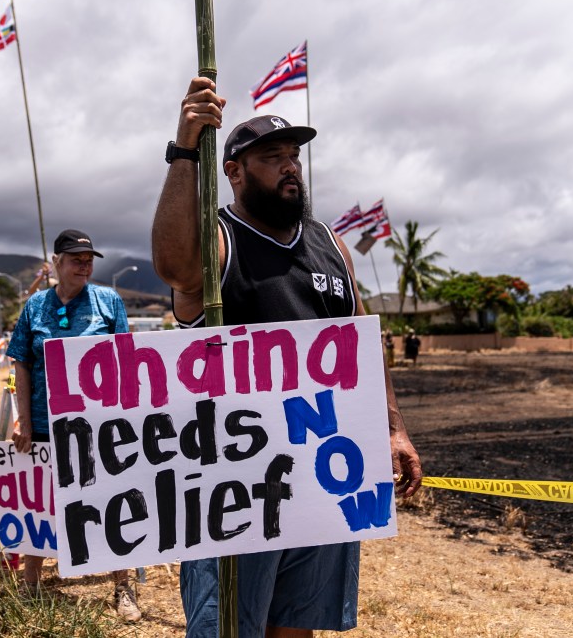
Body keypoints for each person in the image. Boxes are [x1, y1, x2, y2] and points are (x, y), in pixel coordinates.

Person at [151, 77, 423, 638]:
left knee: (299, 627)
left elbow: (361, 343)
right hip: (234, 486)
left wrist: (393, 429)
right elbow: (175, 268)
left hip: (323, 477)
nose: (290, 166)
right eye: (272, 158)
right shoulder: (217, 240)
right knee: (227, 629)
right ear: (234, 171)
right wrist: (184, 147)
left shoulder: (329, 242)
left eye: (293, 156)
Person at [6, 229, 142, 623]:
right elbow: (21, 363)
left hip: (98, 423)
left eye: (89, 259)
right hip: (47, 424)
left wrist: (125, 415)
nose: (84, 265)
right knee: (40, 500)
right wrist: (24, 421)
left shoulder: (108, 301)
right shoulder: (34, 307)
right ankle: (31, 581)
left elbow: (125, 359)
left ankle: (122, 585)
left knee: (113, 499)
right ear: (57, 263)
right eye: (76, 259)